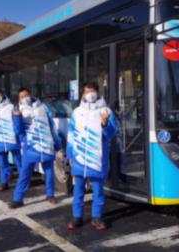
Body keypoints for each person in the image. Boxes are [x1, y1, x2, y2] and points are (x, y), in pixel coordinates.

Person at [66, 82, 118, 231]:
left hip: (97, 160)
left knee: (98, 191)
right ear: (83, 94)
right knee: (78, 191)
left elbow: (112, 134)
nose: (90, 94)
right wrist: (70, 155)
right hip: (79, 159)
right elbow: (71, 135)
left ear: (97, 92)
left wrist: (105, 124)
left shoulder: (106, 111)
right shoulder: (77, 112)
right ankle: (77, 217)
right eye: (87, 91)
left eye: (92, 91)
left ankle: (97, 218)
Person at [9, 88, 61, 209]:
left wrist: (57, 144)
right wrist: (18, 120)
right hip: (31, 147)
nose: (24, 98)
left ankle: (50, 194)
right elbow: (18, 130)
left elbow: (51, 126)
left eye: (26, 95)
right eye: (21, 96)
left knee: (49, 172)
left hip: (46, 145)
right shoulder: (19, 110)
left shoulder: (43, 107)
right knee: (25, 173)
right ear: (19, 99)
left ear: (30, 95)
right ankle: (18, 199)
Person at [0, 90, 23, 191]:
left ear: (3, 96)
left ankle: (24, 180)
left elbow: (17, 120)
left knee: (18, 161)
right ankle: (4, 182)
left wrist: (18, 135)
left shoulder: (11, 107)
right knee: (2, 163)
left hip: (12, 139)